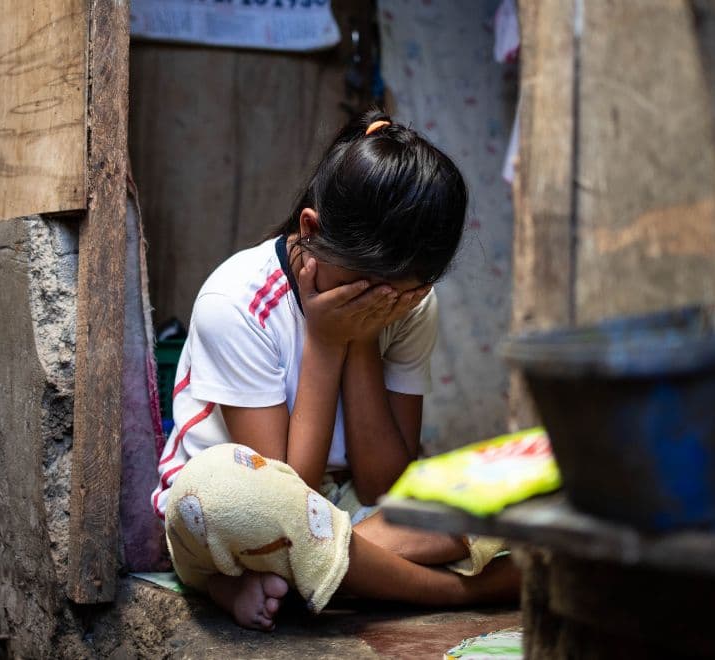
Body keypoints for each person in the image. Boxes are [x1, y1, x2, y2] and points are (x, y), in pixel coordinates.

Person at [151, 110, 520, 632]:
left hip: (349, 510)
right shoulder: (235, 301)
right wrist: (326, 343)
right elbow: (285, 487)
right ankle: (458, 589)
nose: (386, 298)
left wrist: (364, 338)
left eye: (404, 288)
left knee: (524, 487)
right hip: (245, 512)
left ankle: (315, 577)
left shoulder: (410, 301)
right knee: (224, 497)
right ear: (311, 230)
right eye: (368, 285)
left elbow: (382, 483)